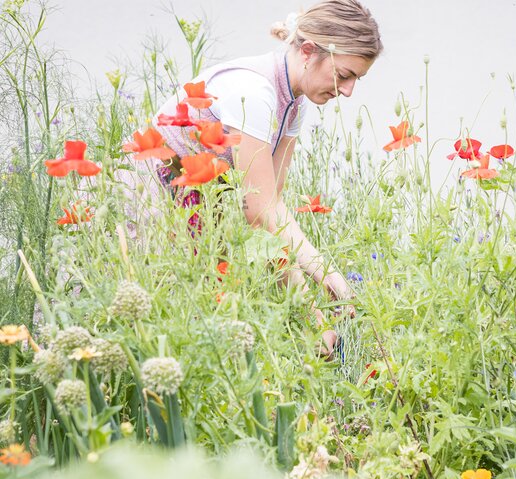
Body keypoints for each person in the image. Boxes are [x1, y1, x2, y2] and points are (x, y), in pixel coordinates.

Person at [117, 0, 381, 356]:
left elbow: (269, 217)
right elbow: (261, 210)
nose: (348, 91)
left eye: (356, 80)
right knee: (145, 330)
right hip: (150, 193)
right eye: (345, 74)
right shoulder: (255, 93)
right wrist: (328, 277)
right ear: (307, 51)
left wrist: (310, 317)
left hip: (198, 202)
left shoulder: (295, 103)